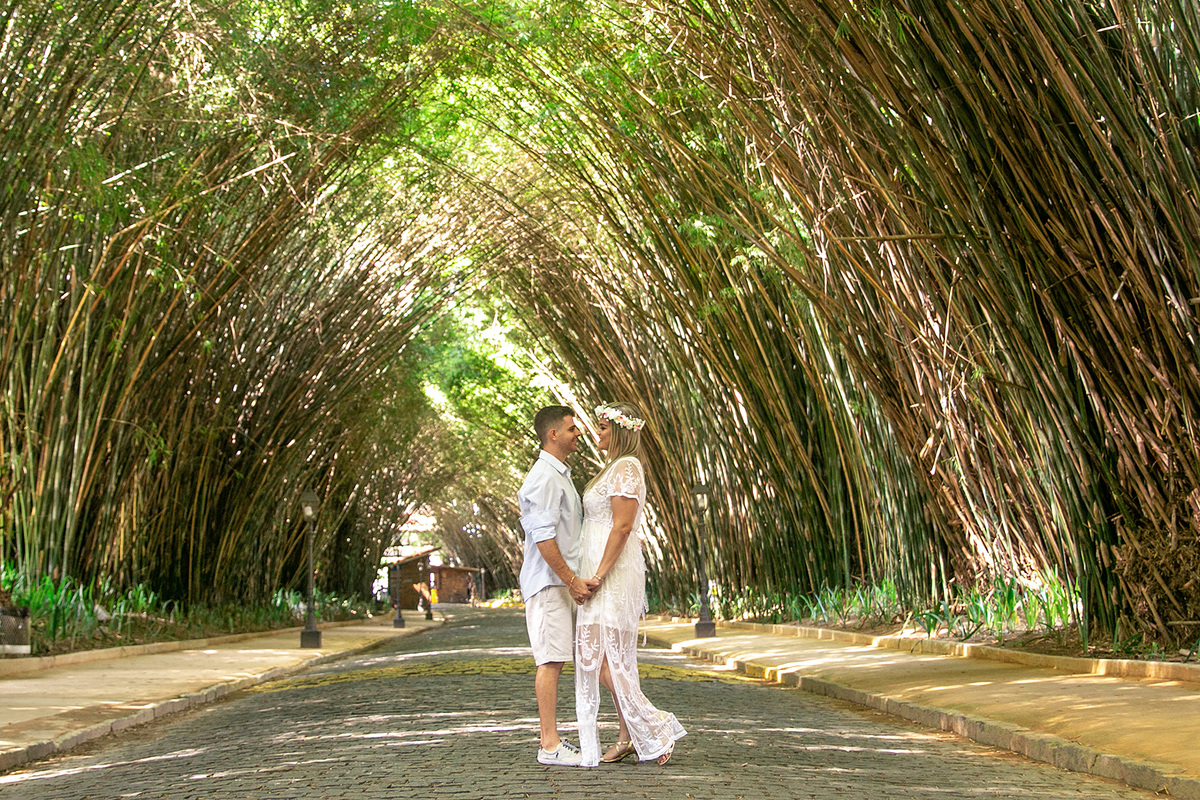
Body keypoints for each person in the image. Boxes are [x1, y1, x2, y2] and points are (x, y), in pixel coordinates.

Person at [575, 401, 686, 767]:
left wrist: (599, 574)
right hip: (603, 571)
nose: (597, 432)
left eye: (603, 427)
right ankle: (628, 737)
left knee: (597, 658)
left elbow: (622, 527)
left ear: (621, 430)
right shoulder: (614, 466)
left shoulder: (626, 466)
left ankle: (655, 723)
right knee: (614, 659)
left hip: (611, 574)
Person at [518, 405, 599, 766]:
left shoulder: (559, 474)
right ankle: (549, 744)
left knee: (558, 659)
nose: (578, 434)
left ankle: (552, 740)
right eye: (571, 429)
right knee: (550, 660)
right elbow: (543, 537)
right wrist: (570, 580)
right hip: (550, 583)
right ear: (553, 434)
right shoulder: (544, 478)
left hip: (561, 582)